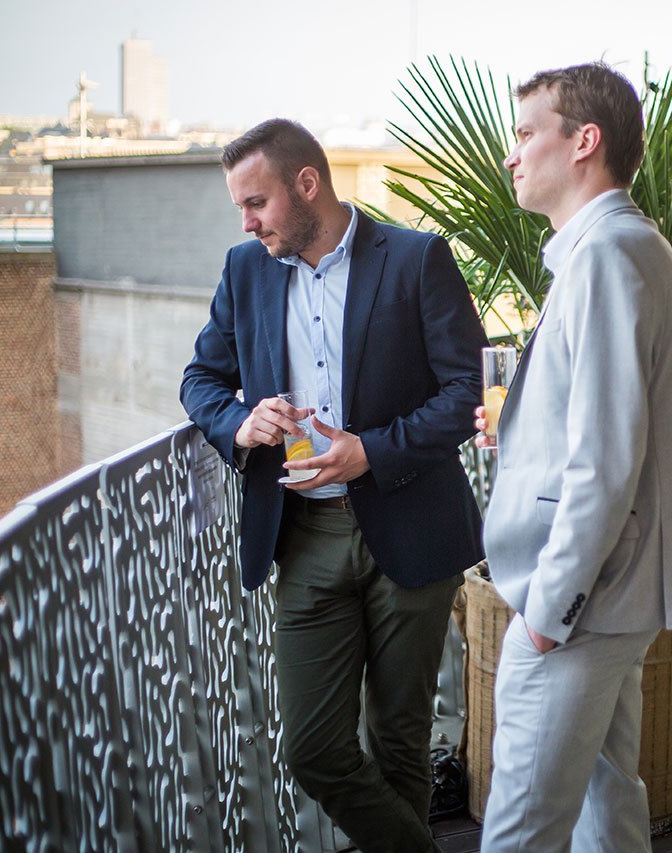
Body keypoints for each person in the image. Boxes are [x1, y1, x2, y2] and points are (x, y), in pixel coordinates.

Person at [180, 118, 487, 852]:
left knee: (400, 740)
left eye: (256, 203)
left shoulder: (416, 258)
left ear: (306, 184)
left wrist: (369, 452)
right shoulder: (244, 268)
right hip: (303, 535)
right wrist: (241, 421)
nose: (246, 221)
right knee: (312, 749)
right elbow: (200, 380)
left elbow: (466, 388)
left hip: (412, 524)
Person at [474, 63, 672, 852]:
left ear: (584, 141)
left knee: (519, 828)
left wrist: (546, 616)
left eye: (524, 135)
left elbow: (607, 462)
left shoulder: (606, 256)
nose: (511, 156)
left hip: (578, 602)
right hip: (606, 597)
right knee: (607, 808)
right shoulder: (621, 247)